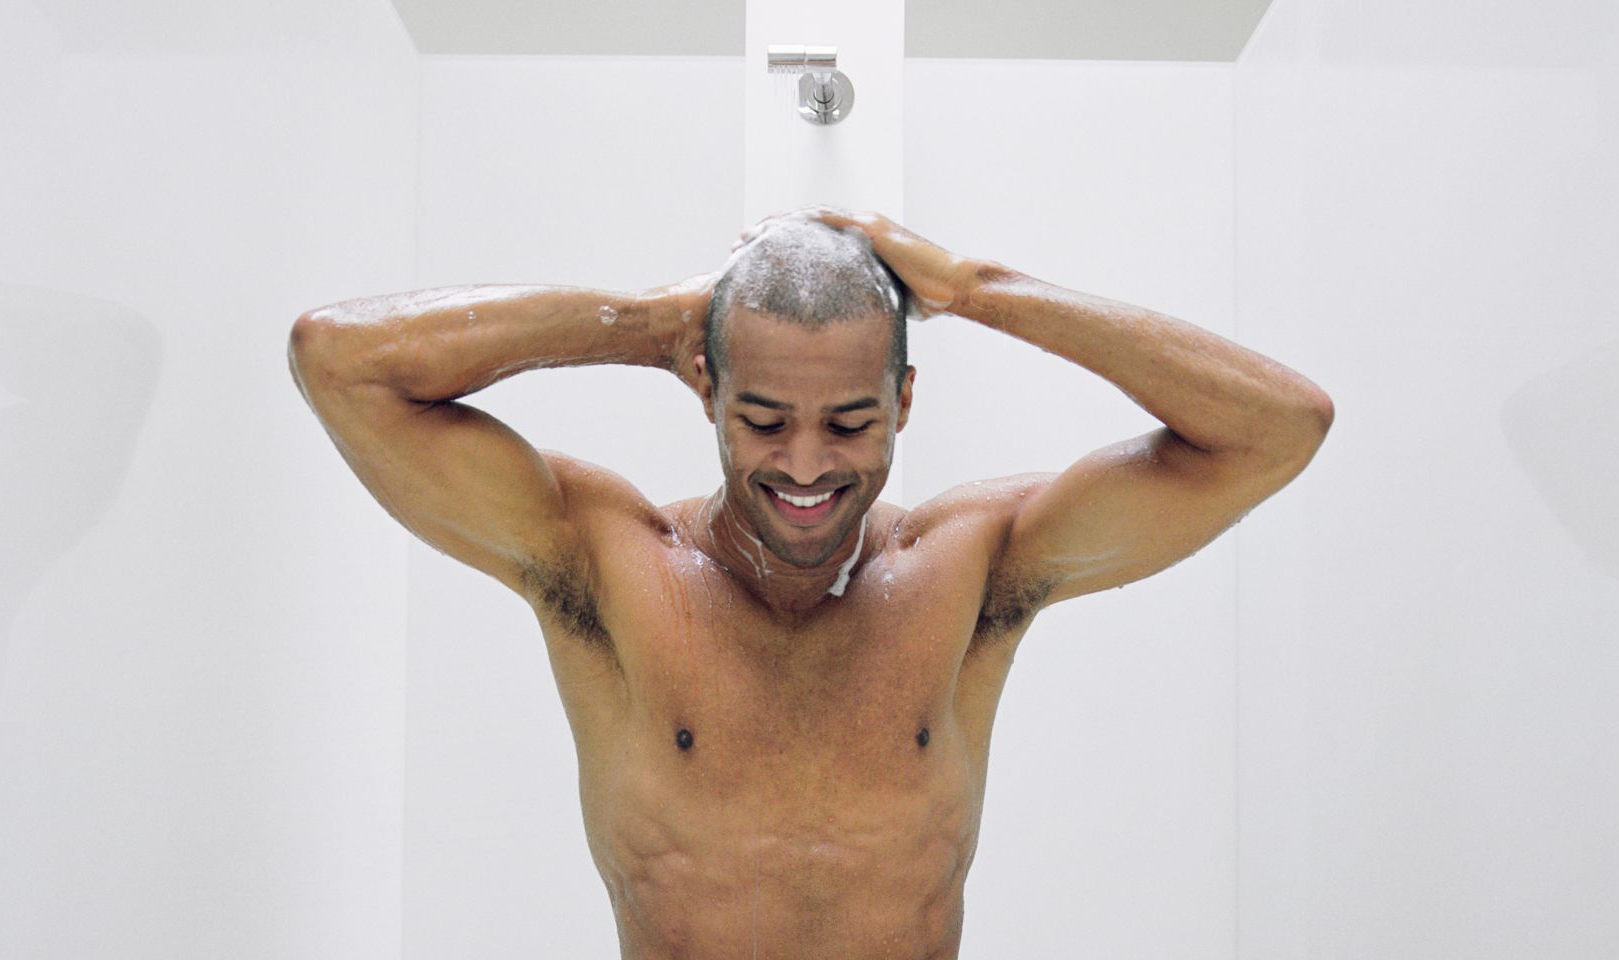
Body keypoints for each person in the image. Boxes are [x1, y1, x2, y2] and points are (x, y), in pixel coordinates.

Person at [287, 206, 1332, 960]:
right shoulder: (601, 559)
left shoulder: (970, 568)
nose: (802, 466)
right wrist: (645, 322)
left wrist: (976, 288)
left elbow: (1279, 429)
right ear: (706, 388)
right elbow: (337, 360)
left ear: (905, 402)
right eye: (763, 419)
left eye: (849, 423)